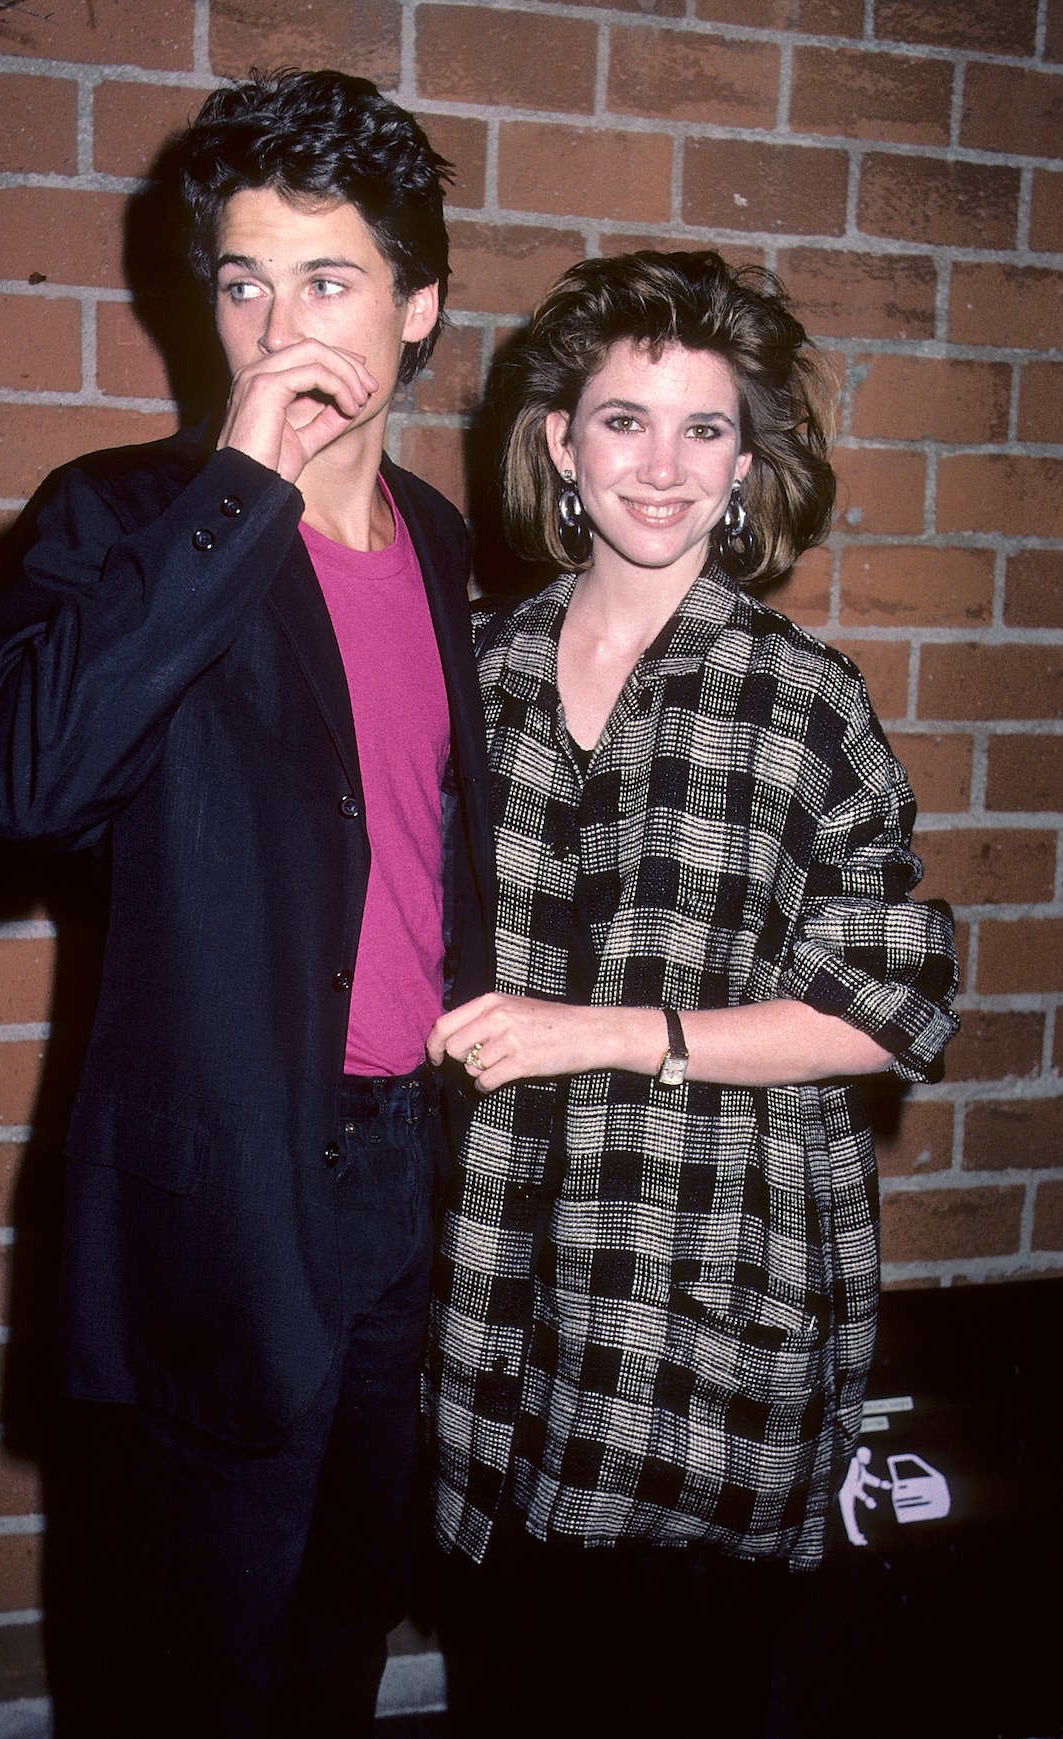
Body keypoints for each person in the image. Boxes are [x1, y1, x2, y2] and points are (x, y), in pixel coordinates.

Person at [0, 68, 493, 1738]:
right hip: (215, 1202)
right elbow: (14, 790)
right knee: (183, 1678)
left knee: (336, 1643)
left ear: (419, 310)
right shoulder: (120, 522)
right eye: (243, 283)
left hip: (405, 1174)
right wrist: (240, 497)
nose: (276, 328)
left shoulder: (447, 547)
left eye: (325, 281)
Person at [424, 250, 958, 1736]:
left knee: (681, 1693)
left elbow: (890, 1006)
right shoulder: (475, 677)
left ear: (747, 464)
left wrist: (600, 1033)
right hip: (502, 1294)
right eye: (621, 421)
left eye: (703, 429)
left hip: (712, 1290)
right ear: (559, 446)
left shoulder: (806, 701)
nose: (660, 468)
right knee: (512, 1689)